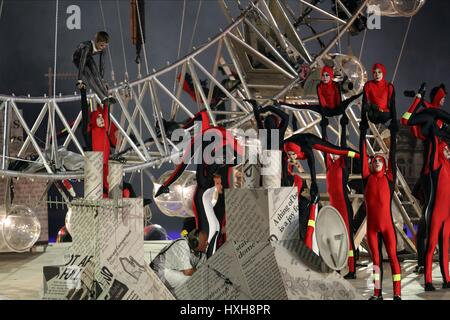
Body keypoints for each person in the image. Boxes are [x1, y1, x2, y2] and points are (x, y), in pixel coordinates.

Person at [155, 111, 243, 248]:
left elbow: (202, 114)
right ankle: (207, 255)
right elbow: (181, 168)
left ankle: (210, 255)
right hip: (203, 192)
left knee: (214, 229)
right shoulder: (204, 142)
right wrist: (166, 184)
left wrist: (183, 127)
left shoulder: (218, 141)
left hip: (207, 190)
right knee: (210, 231)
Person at [283, 133, 359, 250]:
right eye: (289, 155)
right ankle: (338, 253)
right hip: (333, 203)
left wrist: (314, 183)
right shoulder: (330, 165)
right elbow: (326, 156)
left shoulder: (341, 165)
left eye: (292, 155)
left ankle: (364, 157)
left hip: (342, 202)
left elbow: (314, 163)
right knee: (335, 230)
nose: (291, 157)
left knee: (339, 150)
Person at [360, 111, 401, 300]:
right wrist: (362, 133)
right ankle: (377, 294)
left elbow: (391, 155)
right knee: (376, 261)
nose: (376, 161)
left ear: (384, 165)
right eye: (374, 160)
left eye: (379, 160)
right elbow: (362, 156)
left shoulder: (389, 179)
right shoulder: (367, 178)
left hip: (386, 227)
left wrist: (393, 132)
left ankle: (397, 293)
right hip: (372, 228)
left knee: (392, 258)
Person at [150, 229, 208, 294]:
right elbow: (188, 272)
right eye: (205, 241)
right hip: (160, 271)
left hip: (173, 272)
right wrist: (193, 271)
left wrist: (194, 271)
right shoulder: (182, 244)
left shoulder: (202, 254)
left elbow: (203, 272)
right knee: (190, 281)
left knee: (196, 282)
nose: (207, 243)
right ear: (195, 242)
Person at [73, 31, 115, 104]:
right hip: (78, 59)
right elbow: (82, 62)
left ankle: (107, 94)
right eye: (102, 45)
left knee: (96, 75)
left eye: (105, 45)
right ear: (96, 42)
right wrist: (79, 79)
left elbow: (102, 63)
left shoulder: (103, 48)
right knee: (89, 76)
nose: (103, 47)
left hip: (88, 57)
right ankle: (102, 97)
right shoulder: (87, 47)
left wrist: (102, 77)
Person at [361, 63, 397, 137]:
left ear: (383, 73)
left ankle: (376, 109)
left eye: (379, 72)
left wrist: (394, 121)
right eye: (374, 72)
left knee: (375, 109)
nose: (377, 74)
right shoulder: (368, 85)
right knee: (369, 107)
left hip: (384, 114)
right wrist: (363, 121)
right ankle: (375, 108)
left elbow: (393, 104)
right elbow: (364, 102)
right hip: (373, 114)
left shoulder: (389, 86)